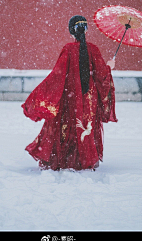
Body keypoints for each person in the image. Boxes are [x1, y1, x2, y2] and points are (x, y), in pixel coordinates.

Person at [22, 14, 117, 170]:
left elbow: (57, 75)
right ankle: (84, 160)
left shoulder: (68, 49)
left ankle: (66, 160)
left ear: (71, 32)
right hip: (89, 99)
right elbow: (102, 76)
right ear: (85, 30)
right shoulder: (93, 49)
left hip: (70, 98)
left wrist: (39, 96)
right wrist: (109, 66)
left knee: (68, 127)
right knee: (85, 127)